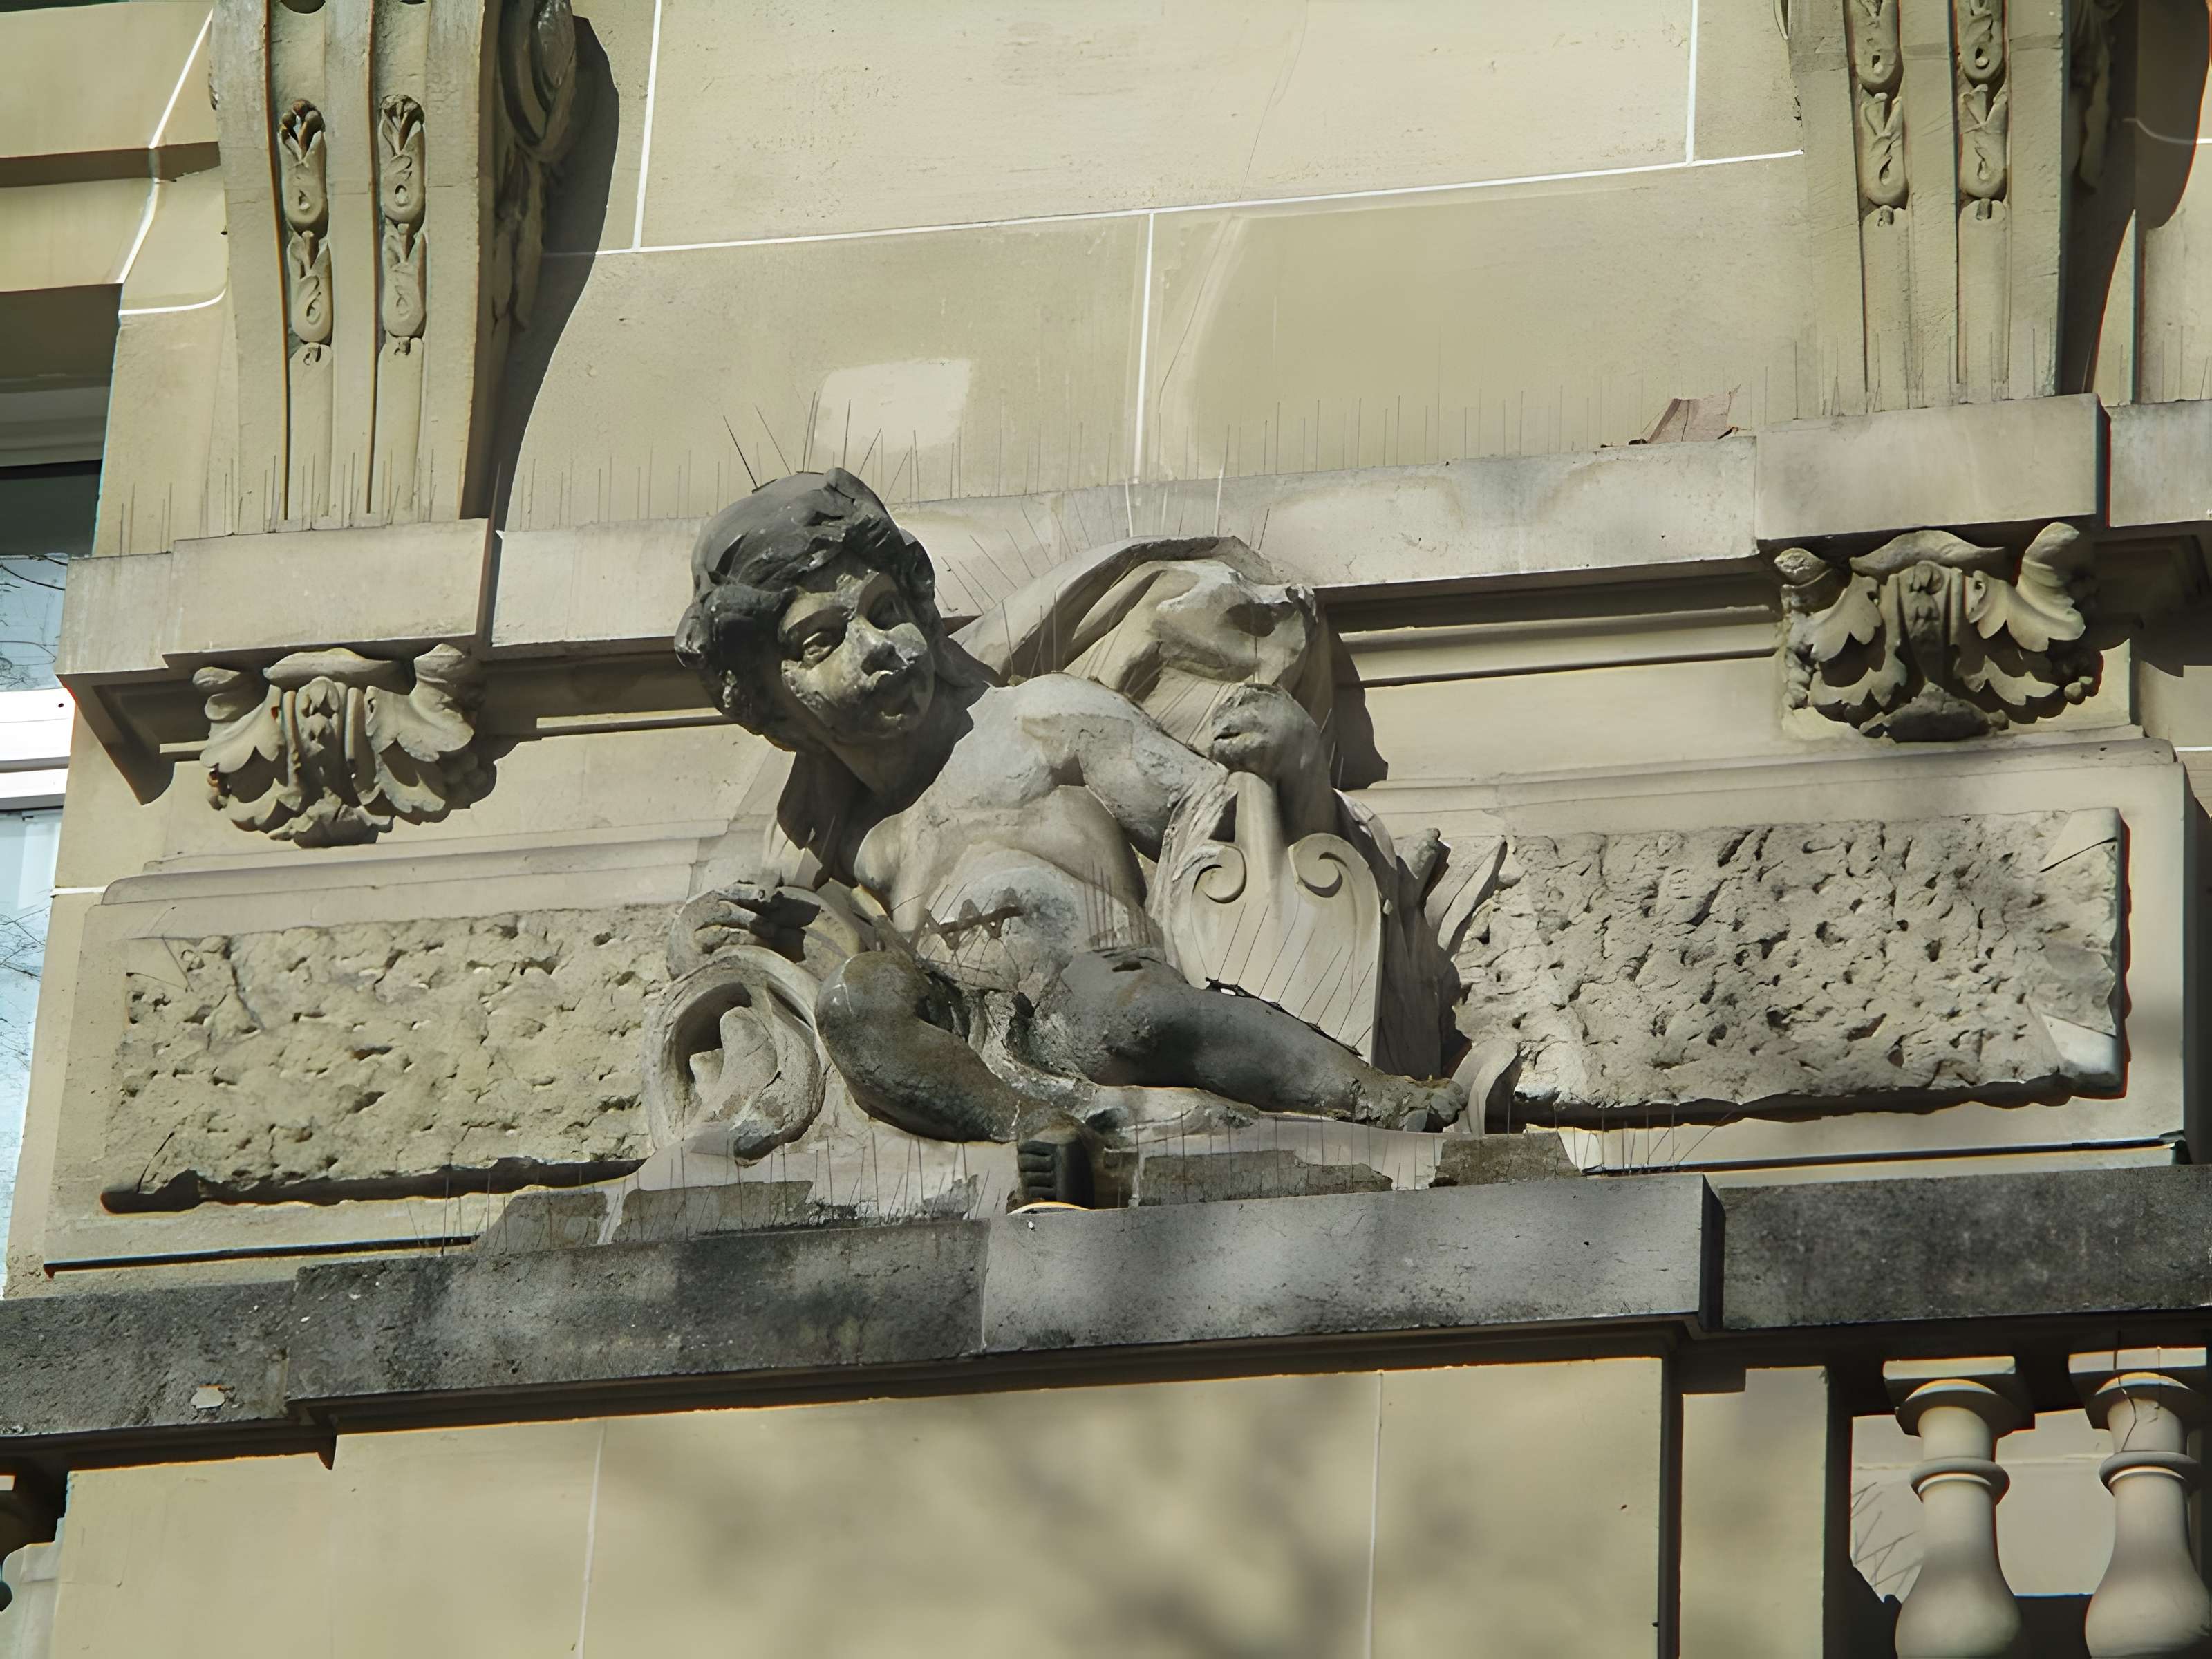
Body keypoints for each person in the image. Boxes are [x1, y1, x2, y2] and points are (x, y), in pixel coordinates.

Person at [675, 469, 1465, 1202]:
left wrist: (1289, 766)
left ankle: (1365, 1090)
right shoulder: (829, 831)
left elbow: (1215, 827)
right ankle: (1030, 1127)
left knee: (1122, 1008)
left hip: (1096, 992)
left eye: (886, 611)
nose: (876, 648)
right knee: (858, 1004)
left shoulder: (1044, 719)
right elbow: (763, 949)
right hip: (973, 1043)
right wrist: (706, 934)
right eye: (822, 641)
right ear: (772, 706)